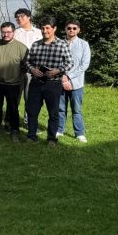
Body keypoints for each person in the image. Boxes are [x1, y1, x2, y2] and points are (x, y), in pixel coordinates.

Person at [25, 15, 73, 147]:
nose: (45, 30)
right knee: (32, 111)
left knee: (53, 112)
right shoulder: (35, 45)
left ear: (54, 28)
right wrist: (32, 70)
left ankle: (52, 139)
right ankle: (31, 136)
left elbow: (69, 62)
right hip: (36, 83)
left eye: (48, 28)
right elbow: (27, 61)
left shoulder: (62, 44)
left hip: (53, 84)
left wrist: (58, 70)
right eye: (43, 28)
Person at [0, 22, 29, 142]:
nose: (6, 34)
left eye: (8, 32)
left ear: (13, 32)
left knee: (13, 109)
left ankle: (14, 130)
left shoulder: (22, 48)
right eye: (3, 32)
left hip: (13, 84)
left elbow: (26, 66)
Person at [58, 20, 91, 143]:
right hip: (60, 81)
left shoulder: (84, 44)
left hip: (76, 84)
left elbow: (84, 65)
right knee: (60, 108)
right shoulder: (59, 43)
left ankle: (79, 133)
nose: (71, 30)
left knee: (76, 109)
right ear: (65, 29)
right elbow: (56, 62)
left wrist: (69, 77)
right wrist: (63, 78)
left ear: (78, 30)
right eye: (69, 28)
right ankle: (59, 130)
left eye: (74, 28)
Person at [13, 7, 43, 126]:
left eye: (22, 16)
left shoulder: (38, 32)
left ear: (29, 17)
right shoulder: (15, 33)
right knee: (16, 96)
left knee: (30, 96)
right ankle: (12, 121)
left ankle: (28, 121)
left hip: (33, 69)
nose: (19, 19)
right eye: (17, 17)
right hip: (17, 69)